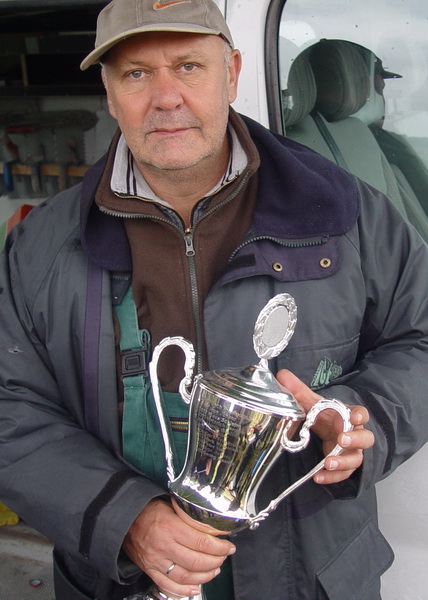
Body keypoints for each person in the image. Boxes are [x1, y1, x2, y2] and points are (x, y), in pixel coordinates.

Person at [0, 1, 427, 599]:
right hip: (125, 579)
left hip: (309, 578)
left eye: (188, 66)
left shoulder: (346, 214)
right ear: (109, 92)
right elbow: (11, 405)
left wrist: (362, 416)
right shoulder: (41, 244)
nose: (166, 97)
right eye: (136, 73)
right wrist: (124, 518)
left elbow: (420, 338)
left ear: (232, 73)